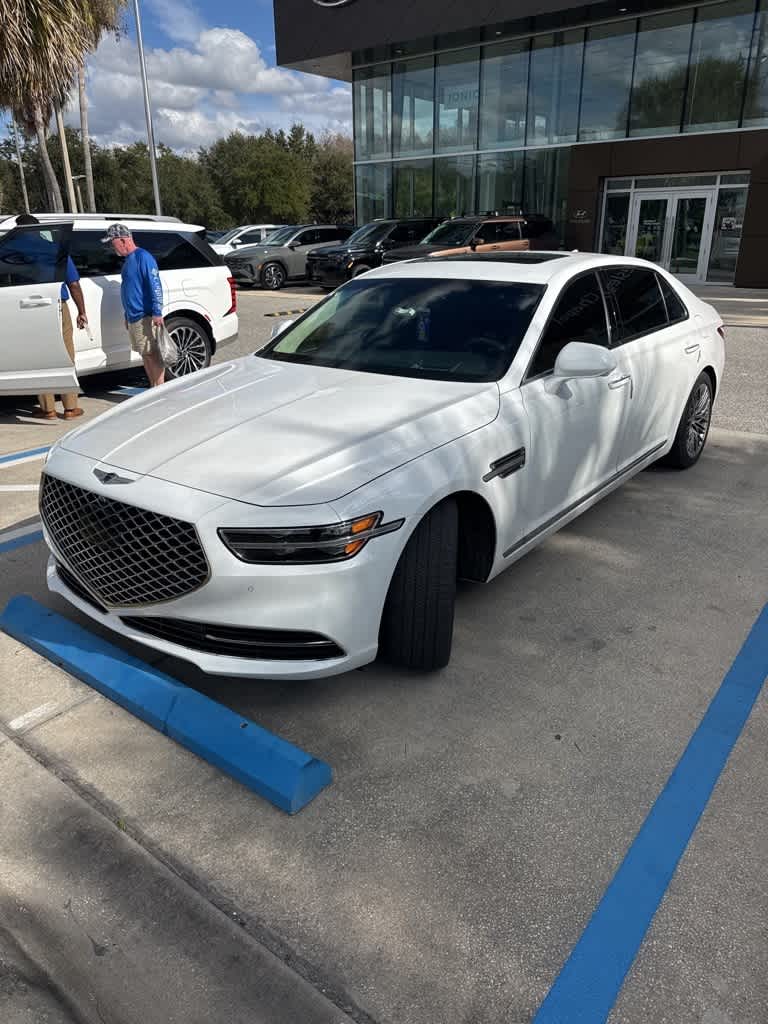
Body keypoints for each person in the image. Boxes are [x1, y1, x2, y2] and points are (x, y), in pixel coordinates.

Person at [16, 214, 87, 420]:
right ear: (38, 230)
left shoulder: (10, 250)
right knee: (65, 355)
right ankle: (71, 408)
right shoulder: (55, 248)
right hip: (56, 306)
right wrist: (82, 311)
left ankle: (48, 409)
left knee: (39, 359)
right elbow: (73, 284)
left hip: (26, 309)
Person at [102, 223, 166, 387]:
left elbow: (155, 285)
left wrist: (157, 311)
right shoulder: (128, 261)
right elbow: (130, 289)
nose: (111, 246)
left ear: (123, 240)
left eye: (112, 242)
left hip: (144, 315)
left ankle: (160, 387)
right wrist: (126, 315)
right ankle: (153, 386)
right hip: (133, 317)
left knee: (152, 353)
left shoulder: (142, 257)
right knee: (144, 353)